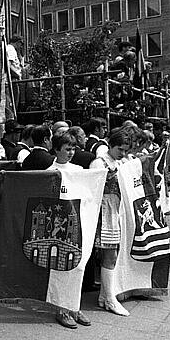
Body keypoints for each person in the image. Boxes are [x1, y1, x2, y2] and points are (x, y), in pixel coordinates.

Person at [46, 131, 90, 329]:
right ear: (56, 149)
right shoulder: (50, 171)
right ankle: (61, 308)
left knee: (79, 266)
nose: (71, 152)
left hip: (77, 223)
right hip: (58, 226)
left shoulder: (79, 169)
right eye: (67, 149)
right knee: (60, 267)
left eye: (73, 148)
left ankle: (75, 305)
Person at [90, 127, 132, 317]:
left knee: (113, 254)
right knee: (109, 255)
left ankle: (104, 295)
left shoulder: (121, 162)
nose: (123, 153)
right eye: (120, 149)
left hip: (117, 211)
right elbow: (92, 191)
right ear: (111, 145)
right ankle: (109, 298)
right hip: (103, 212)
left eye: (125, 150)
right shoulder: (98, 163)